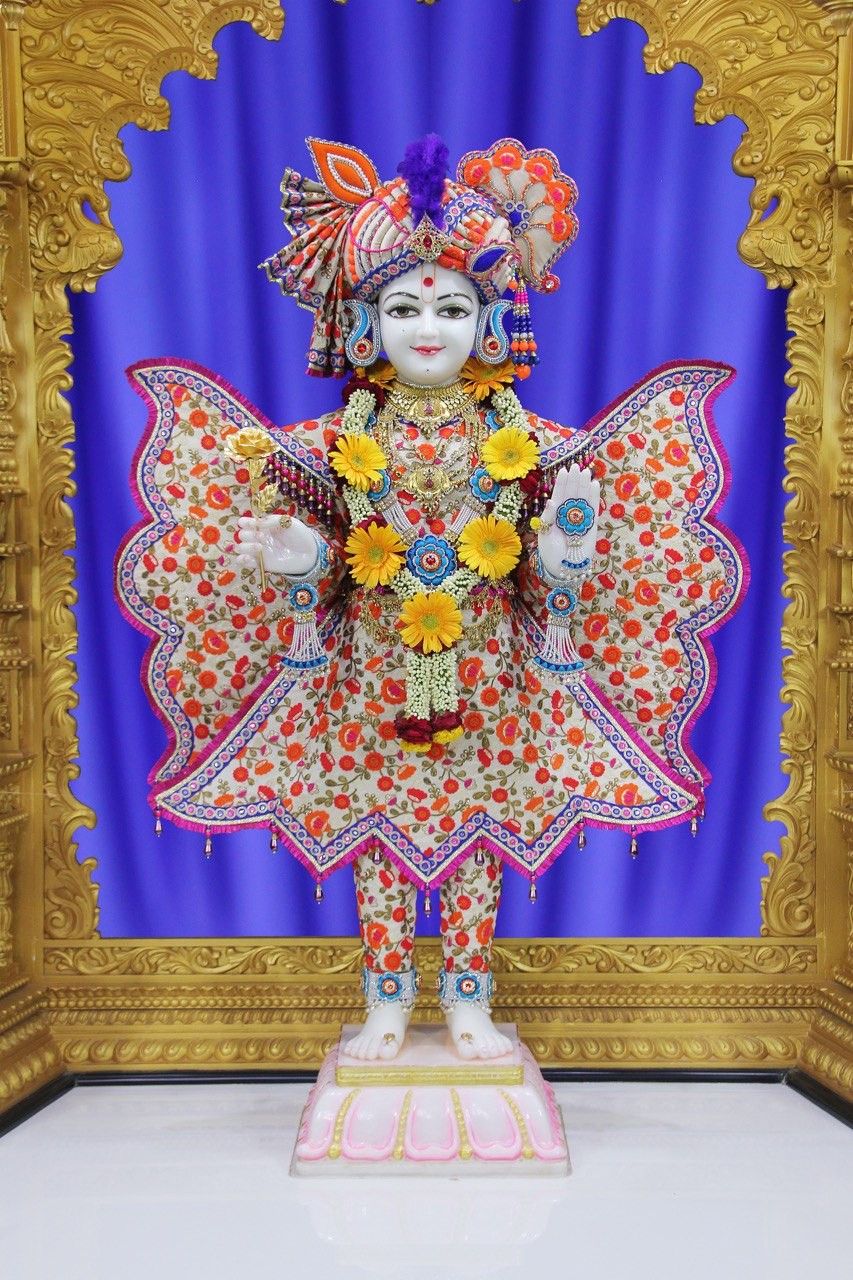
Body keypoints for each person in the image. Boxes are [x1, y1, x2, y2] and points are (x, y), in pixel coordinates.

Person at [118, 136, 746, 1063]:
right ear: (364, 323)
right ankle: (381, 1000)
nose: (428, 328)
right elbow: (315, 561)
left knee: (477, 832)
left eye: (453, 307)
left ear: (491, 325)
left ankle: (465, 1001)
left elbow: (550, 575)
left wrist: (566, 551)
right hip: (367, 677)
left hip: (489, 675)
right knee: (377, 832)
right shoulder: (328, 441)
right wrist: (298, 560)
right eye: (403, 306)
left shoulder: (534, 441)